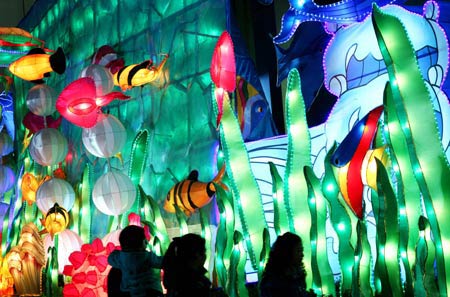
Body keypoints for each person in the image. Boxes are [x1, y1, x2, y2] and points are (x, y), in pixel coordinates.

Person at [107, 225, 163, 297]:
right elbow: (161, 262)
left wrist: (116, 253)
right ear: (143, 242)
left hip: (127, 290)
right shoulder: (147, 257)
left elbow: (110, 259)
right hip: (148, 290)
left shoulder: (120, 258)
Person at [259, 232, 308, 297]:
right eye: (298, 251)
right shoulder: (272, 284)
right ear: (287, 253)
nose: (302, 255)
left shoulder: (298, 276)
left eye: (302, 250)